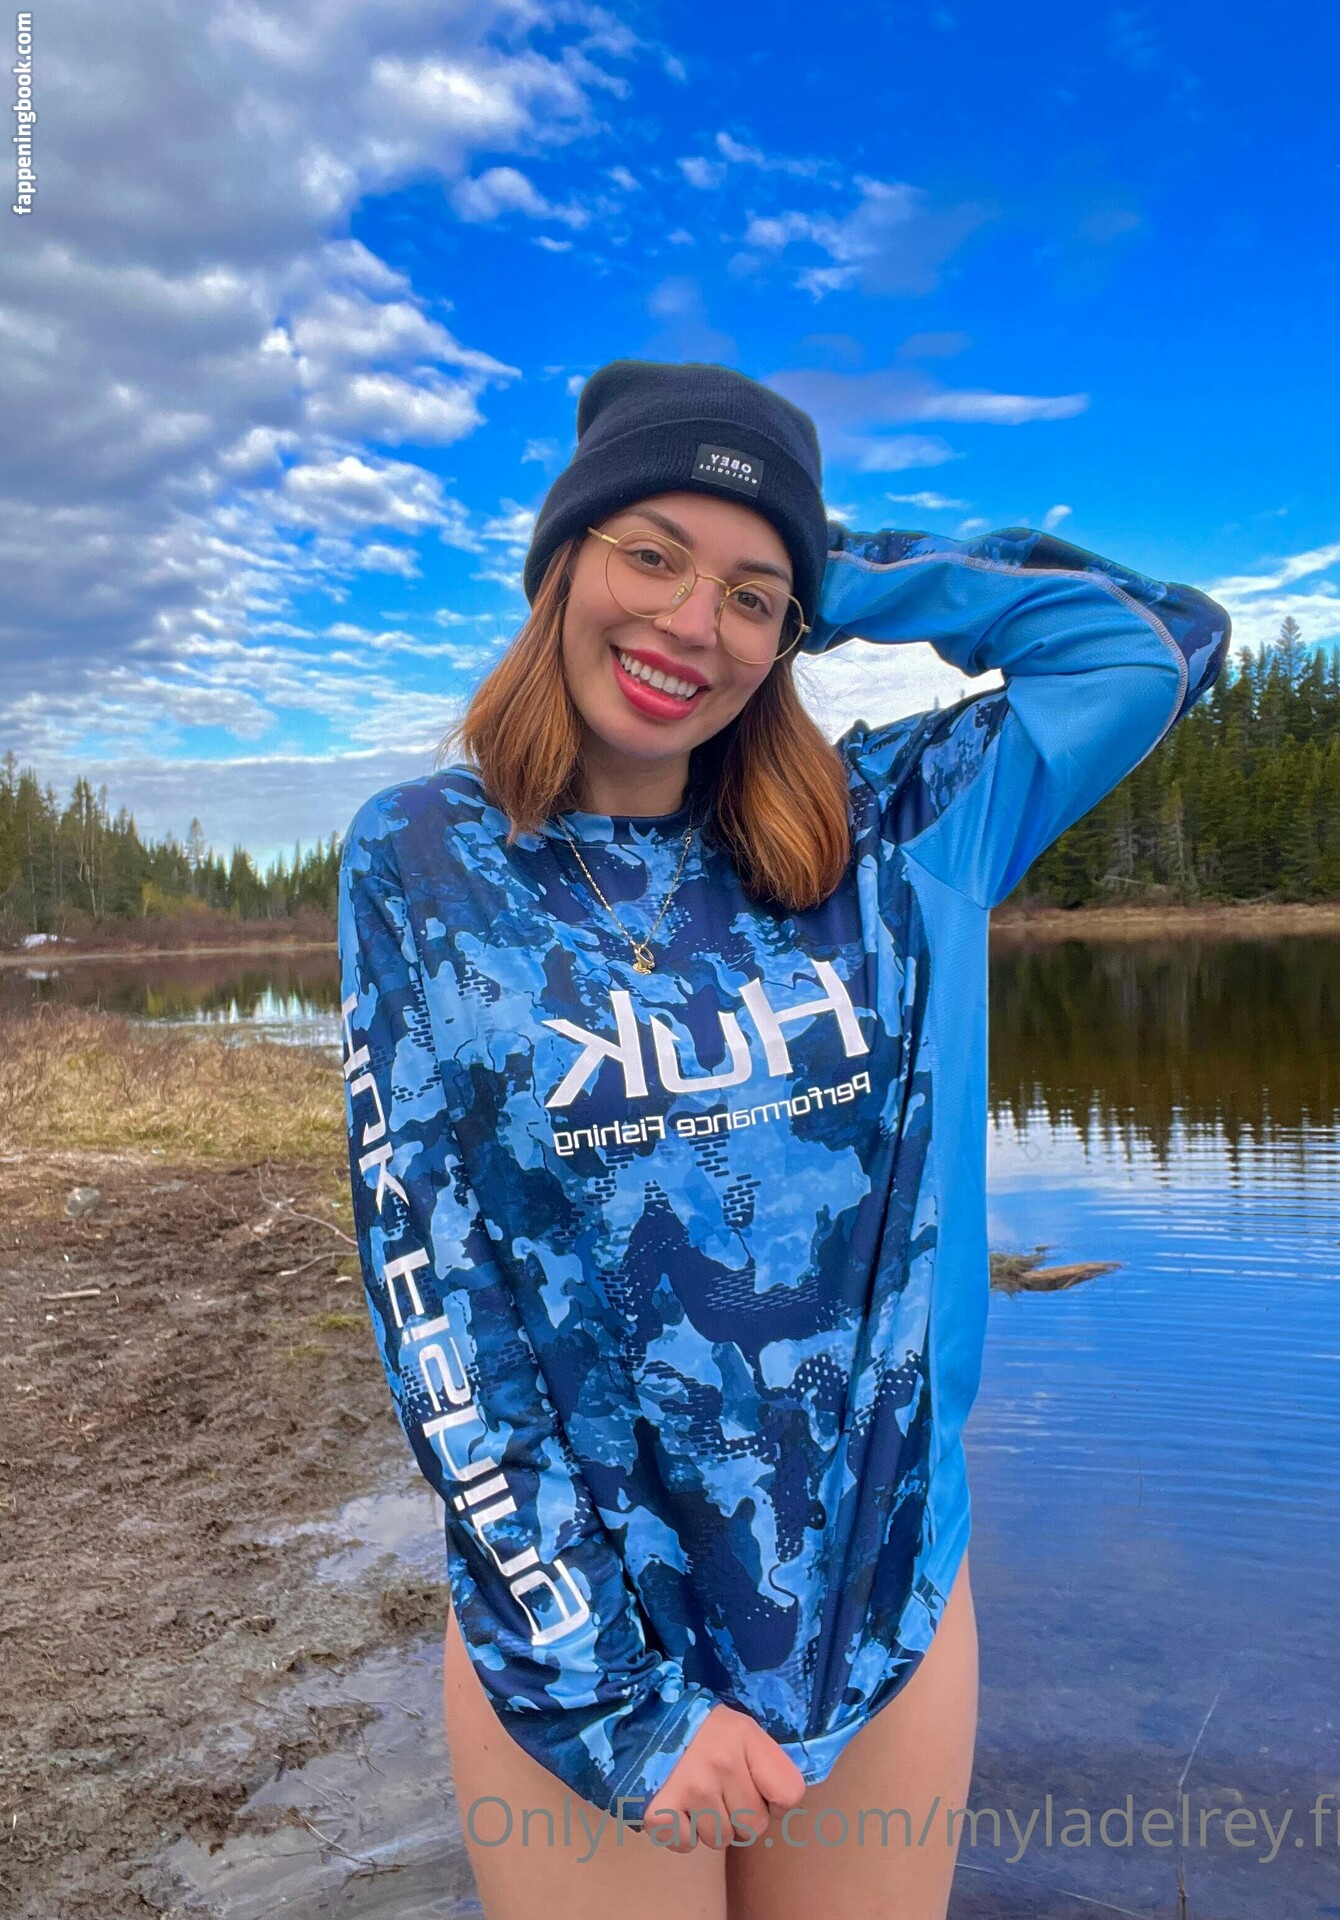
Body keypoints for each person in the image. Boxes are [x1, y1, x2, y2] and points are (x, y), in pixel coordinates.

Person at [336, 358, 1231, 1919]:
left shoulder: (894, 830)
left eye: (752, 599)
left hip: (882, 1617)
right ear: (562, 565)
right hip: (594, 1642)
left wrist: (826, 560)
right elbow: (435, 1294)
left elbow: (1151, 644)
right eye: (651, 554)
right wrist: (606, 1698)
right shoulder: (431, 860)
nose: (694, 624)